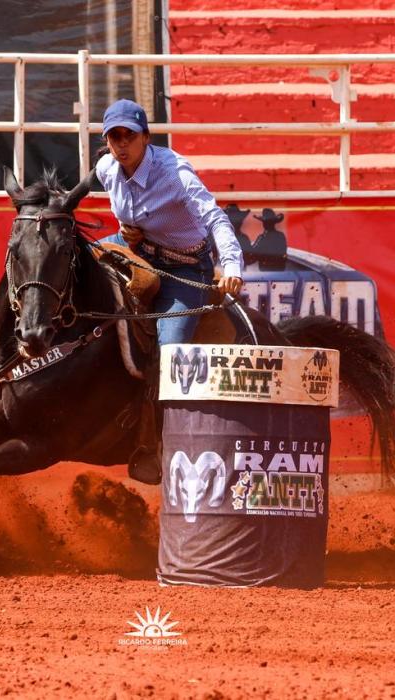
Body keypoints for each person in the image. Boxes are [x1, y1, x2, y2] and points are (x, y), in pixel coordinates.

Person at [94, 98, 244, 484]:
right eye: (114, 136)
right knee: (74, 266)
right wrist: (127, 232)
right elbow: (125, 217)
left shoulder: (176, 173)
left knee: (168, 354)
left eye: (129, 135)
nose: (121, 144)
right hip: (137, 252)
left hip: (183, 266)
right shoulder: (106, 169)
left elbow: (214, 217)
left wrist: (230, 266)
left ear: (146, 137)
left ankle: (153, 444)